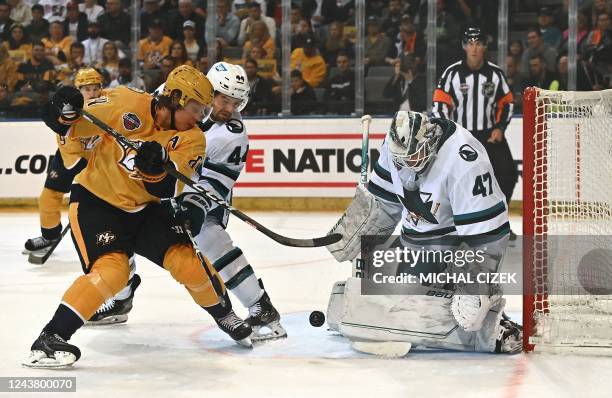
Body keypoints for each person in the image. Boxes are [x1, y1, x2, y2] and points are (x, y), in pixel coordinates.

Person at [24, 65, 252, 369]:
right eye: (195, 108)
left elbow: (167, 188)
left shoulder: (193, 138)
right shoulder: (124, 102)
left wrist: (154, 170)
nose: (200, 117)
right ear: (175, 97)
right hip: (97, 203)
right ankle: (50, 338)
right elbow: (69, 128)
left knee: (187, 260)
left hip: (146, 207)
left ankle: (225, 314)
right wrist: (61, 112)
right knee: (113, 270)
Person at [326, 110, 522, 354]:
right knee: (408, 309)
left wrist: (473, 285)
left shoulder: (464, 158)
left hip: (458, 245)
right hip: (417, 243)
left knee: (468, 314)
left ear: (430, 140)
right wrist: (351, 232)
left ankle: (495, 321)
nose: (408, 165)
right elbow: (383, 202)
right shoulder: (393, 146)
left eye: (415, 156)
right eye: (402, 160)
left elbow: (487, 234)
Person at [158, 61, 287, 341]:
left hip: (200, 195)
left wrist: (191, 205)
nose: (229, 108)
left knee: (211, 241)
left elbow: (215, 184)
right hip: (153, 184)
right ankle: (122, 295)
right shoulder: (175, 94)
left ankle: (260, 306)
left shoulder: (232, 135)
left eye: (236, 102)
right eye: (223, 99)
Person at [432, 27, 517, 239]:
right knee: (452, 180)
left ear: (485, 46)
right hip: (461, 137)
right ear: (463, 46)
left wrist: (500, 128)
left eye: (478, 43)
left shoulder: (495, 74)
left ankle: (498, 223)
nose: (474, 47)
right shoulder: (452, 73)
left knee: (507, 175)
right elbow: (439, 105)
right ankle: (453, 225)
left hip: (489, 135)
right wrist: (449, 133)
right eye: (469, 43)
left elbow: (507, 103)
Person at [23, 69, 106, 257]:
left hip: (100, 160)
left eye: (96, 88)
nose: (92, 93)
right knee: (49, 197)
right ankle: (49, 235)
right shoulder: (68, 107)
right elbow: (70, 148)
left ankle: (101, 239)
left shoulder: (107, 102)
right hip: (70, 158)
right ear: (78, 90)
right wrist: (85, 176)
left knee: (97, 206)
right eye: (87, 89)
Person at [324, 50, 354, 115]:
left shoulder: (355, 78)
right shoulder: (332, 80)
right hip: (334, 113)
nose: (341, 64)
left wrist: (335, 94)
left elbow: (351, 98)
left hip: (350, 114)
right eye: (339, 62)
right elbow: (326, 98)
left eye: (344, 62)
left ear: (349, 63)